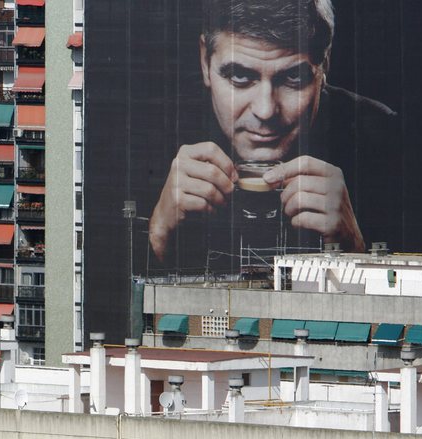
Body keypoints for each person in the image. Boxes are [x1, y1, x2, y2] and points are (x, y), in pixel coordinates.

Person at [148, 0, 397, 265]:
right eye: (239, 77)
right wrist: (158, 236)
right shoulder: (154, 136)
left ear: (324, 64)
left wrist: (355, 249)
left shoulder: (383, 139)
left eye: (293, 78)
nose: (265, 111)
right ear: (205, 61)